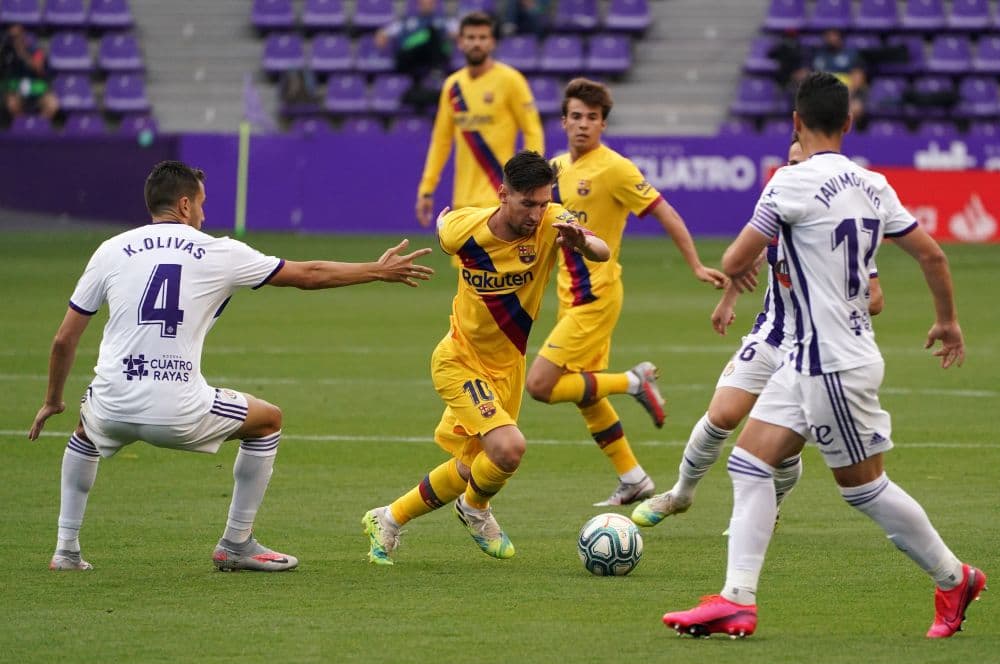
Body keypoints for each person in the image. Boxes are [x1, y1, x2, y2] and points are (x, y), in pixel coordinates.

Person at [660, 73, 984, 640]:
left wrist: (751, 252)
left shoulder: (787, 182)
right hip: (813, 357)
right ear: (849, 123)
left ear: (795, 122)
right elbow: (933, 256)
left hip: (831, 362)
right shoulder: (874, 183)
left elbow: (734, 260)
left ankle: (954, 578)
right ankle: (736, 600)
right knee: (749, 462)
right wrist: (948, 322)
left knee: (864, 489)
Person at [28, 161, 434, 572]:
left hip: (113, 404)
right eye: (202, 203)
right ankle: (236, 543)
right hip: (178, 410)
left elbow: (63, 339)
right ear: (184, 205)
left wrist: (53, 400)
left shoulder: (111, 250)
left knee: (85, 431)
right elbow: (308, 274)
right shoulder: (219, 251)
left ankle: (66, 550)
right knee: (268, 421)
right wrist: (377, 270)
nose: (204, 214)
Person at [363, 150, 610, 565]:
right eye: (527, 203)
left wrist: (583, 242)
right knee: (509, 449)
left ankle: (387, 518)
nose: (536, 214)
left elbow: (602, 251)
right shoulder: (466, 230)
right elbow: (444, 227)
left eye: (543, 203)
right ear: (503, 195)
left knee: (471, 466)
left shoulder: (553, 222)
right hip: (459, 360)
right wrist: (438, 222)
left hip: (508, 367)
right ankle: (475, 509)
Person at [632, 133, 884, 530]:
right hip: (771, 334)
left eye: (802, 164)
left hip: (813, 350)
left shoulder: (838, 223)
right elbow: (748, 258)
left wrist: (831, 295)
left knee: (782, 450)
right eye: (791, 163)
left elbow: (875, 298)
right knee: (721, 415)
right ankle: (680, 494)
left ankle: (772, 504)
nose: (794, 170)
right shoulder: (780, 205)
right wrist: (728, 300)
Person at [523, 78, 728, 507]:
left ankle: (635, 381)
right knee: (587, 394)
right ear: (563, 121)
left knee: (541, 385)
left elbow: (665, 212)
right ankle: (633, 478)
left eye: (592, 117)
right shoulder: (554, 169)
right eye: (576, 116)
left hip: (595, 297)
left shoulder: (616, 169)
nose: (583, 124)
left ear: (603, 124)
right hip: (570, 296)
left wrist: (695, 264)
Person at [415, 11, 544, 229]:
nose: (477, 43)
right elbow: (441, 141)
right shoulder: (452, 86)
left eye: (483, 37)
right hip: (463, 202)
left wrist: (531, 180)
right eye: (471, 37)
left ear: (492, 42)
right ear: (460, 42)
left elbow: (532, 130)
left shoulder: (511, 81)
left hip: (500, 197)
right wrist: (426, 189)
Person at [374, 0, 454, 112]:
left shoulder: (444, 21)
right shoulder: (406, 21)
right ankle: (436, 72)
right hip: (409, 56)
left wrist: (452, 37)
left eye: (430, 3)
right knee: (430, 34)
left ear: (434, 4)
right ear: (418, 4)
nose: (427, 6)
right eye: (424, 3)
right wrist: (381, 35)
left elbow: (459, 33)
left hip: (431, 56)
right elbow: (384, 33)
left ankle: (435, 73)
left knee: (433, 33)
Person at [1, 24, 59, 123]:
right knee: (12, 103)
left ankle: (39, 126)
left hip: (37, 88)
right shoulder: (7, 52)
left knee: (52, 104)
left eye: (17, 36)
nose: (15, 39)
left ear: (22, 35)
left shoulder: (36, 50)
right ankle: (23, 126)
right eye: (12, 37)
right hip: (17, 89)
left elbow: (38, 68)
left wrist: (22, 53)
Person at [811, 30, 867, 126]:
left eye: (834, 35)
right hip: (823, 95)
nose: (831, 38)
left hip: (848, 94)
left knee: (856, 108)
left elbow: (858, 76)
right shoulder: (819, 55)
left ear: (840, 36)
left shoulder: (851, 54)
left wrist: (847, 95)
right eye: (828, 35)